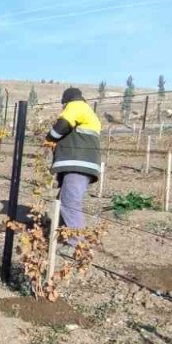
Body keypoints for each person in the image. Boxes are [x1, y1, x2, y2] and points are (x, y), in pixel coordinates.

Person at [47, 87, 102, 246]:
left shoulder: (76, 105)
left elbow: (61, 126)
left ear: (66, 101)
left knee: (70, 201)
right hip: (79, 164)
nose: (63, 109)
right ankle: (61, 237)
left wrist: (50, 137)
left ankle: (76, 244)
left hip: (77, 164)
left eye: (63, 105)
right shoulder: (86, 111)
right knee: (63, 200)